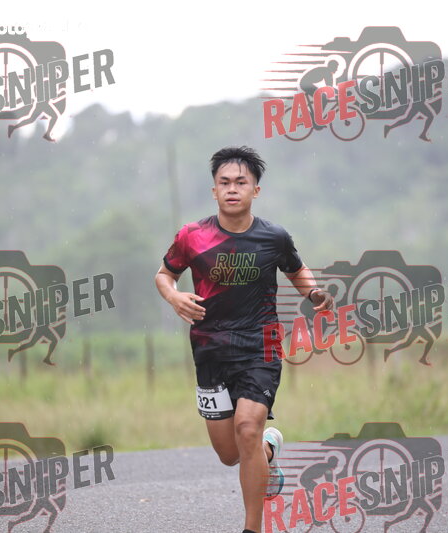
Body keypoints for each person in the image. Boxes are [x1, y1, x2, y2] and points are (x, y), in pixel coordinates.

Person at [154, 146, 334, 533]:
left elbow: (297, 270)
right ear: (214, 190)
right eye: (225, 183)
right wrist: (174, 297)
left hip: (260, 346)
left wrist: (314, 294)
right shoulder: (192, 236)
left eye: (241, 182)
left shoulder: (274, 237)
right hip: (210, 351)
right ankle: (268, 452)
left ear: (256, 190)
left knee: (247, 429)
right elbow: (164, 275)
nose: (232, 189)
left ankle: (252, 528)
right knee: (229, 453)